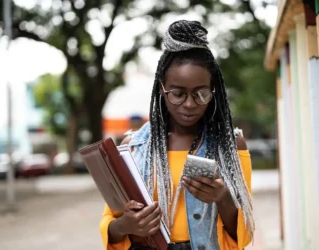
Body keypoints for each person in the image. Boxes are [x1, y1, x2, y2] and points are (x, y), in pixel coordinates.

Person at [99, 20, 254, 250]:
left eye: (201, 93)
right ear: (162, 88)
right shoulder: (134, 147)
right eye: (178, 93)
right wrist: (127, 225)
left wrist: (223, 198)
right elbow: (110, 223)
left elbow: (244, 233)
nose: (190, 104)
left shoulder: (230, 144)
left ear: (214, 90)